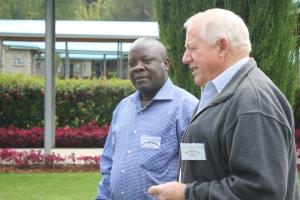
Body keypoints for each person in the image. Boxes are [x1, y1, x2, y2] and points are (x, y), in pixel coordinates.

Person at [148, 8, 300, 200]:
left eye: (192, 48)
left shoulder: (253, 102)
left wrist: (186, 193)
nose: (185, 58)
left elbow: (260, 192)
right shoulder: (222, 93)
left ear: (222, 46)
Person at [95, 37, 198, 200]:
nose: (138, 68)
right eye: (132, 63)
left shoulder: (187, 108)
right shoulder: (122, 108)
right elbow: (109, 163)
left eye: (147, 61)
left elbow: (196, 168)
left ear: (166, 64)